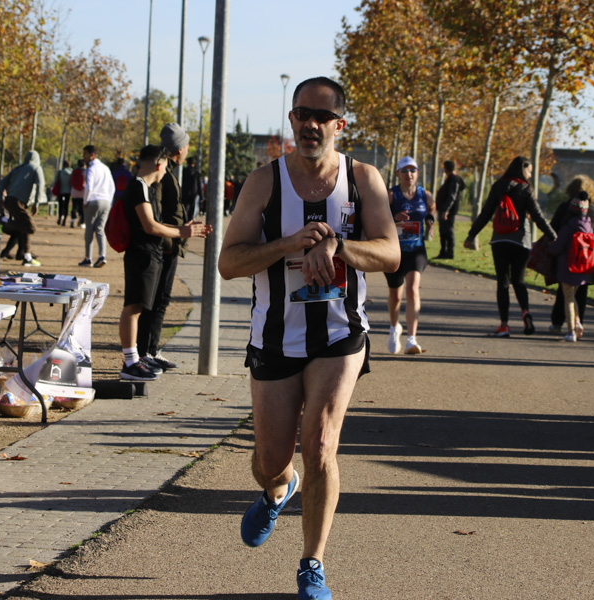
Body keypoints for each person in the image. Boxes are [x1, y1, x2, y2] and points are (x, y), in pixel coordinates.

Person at [218, 76, 399, 600]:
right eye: (302, 114)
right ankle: (278, 489)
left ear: (341, 125)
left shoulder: (363, 179)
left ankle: (312, 564)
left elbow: (390, 254)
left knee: (320, 444)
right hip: (274, 334)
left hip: (339, 332)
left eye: (323, 117)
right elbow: (230, 263)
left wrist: (338, 247)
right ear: (292, 120)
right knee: (271, 459)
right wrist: (288, 243)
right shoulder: (263, 182)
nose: (311, 125)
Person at [119, 144, 211, 381]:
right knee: (134, 307)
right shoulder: (139, 187)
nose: (164, 174)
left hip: (150, 254)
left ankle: (136, 360)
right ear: (159, 164)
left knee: (141, 307)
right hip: (141, 254)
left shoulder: (146, 188)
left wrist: (184, 229)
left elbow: (155, 223)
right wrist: (181, 232)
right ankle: (130, 362)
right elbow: (149, 225)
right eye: (165, 168)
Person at [463, 156, 556, 337]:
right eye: (529, 170)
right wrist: (553, 236)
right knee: (519, 281)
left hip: (499, 241)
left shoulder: (498, 186)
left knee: (503, 283)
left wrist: (472, 235)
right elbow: (538, 217)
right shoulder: (525, 189)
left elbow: (486, 213)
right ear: (522, 169)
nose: (530, 174)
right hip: (521, 240)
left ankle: (504, 325)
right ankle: (525, 312)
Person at [137, 123, 191, 373]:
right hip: (164, 247)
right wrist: (172, 238)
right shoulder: (163, 173)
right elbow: (156, 211)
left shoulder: (168, 171)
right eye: (187, 146)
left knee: (158, 301)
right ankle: (146, 351)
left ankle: (151, 350)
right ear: (179, 149)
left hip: (168, 244)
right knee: (155, 302)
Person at [385, 156, 434, 354]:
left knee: (413, 289)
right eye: (404, 171)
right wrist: (393, 218)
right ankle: (394, 327)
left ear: (418, 174)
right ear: (398, 174)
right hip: (394, 251)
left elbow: (431, 209)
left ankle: (411, 339)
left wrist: (430, 221)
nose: (409, 174)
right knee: (395, 296)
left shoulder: (425, 194)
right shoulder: (390, 195)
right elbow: (377, 217)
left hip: (416, 249)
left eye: (412, 170)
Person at [548, 175, 594, 336]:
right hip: (588, 257)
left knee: (564, 293)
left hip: (567, 257)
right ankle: (579, 323)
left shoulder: (565, 208)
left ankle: (559, 323)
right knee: (582, 292)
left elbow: (554, 229)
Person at [0, 150, 46, 267]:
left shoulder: (18, 168)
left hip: (11, 200)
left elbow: (1, 183)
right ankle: (5, 222)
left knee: (24, 229)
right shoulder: (36, 168)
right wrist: (37, 203)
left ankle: (26, 256)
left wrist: (0, 198)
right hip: (18, 202)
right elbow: (40, 185)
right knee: (31, 227)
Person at [79, 145, 114, 267]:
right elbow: (112, 186)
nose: (84, 156)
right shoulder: (105, 168)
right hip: (105, 201)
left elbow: (89, 186)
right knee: (100, 229)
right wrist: (109, 201)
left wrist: (85, 201)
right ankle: (102, 256)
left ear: (92, 154)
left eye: (85, 154)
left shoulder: (91, 168)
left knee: (89, 229)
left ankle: (88, 258)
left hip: (93, 201)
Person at [434, 159, 465, 259]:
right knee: (443, 231)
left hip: (448, 211)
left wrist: (446, 210)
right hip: (444, 209)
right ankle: (443, 251)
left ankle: (449, 252)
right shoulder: (451, 178)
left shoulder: (454, 179)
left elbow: (453, 195)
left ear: (446, 169)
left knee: (448, 230)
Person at [181, 155, 203, 220]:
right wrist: (201, 196)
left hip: (184, 191)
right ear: (194, 163)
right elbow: (199, 185)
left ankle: (184, 219)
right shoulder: (196, 172)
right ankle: (190, 220)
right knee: (192, 208)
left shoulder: (183, 171)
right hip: (193, 193)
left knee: (185, 207)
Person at [53, 160, 72, 226]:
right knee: (66, 206)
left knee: (60, 206)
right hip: (68, 191)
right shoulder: (71, 172)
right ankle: (64, 220)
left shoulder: (60, 172)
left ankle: (60, 217)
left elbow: (55, 181)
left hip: (60, 191)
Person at [69, 158, 86, 228]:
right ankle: (81, 222)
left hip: (74, 192)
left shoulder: (74, 171)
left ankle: (72, 220)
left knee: (74, 207)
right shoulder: (85, 172)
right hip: (83, 192)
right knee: (82, 208)